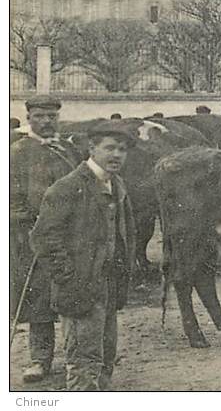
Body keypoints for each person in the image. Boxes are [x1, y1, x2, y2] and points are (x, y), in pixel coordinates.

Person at [30, 121, 137, 391]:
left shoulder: (118, 184)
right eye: (109, 148)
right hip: (81, 288)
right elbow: (43, 238)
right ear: (92, 149)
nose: (116, 155)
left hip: (110, 285)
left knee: (106, 356)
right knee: (83, 361)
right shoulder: (68, 187)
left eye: (122, 149)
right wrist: (70, 280)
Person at [10, 95, 80, 384]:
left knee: (74, 291)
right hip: (33, 235)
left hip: (71, 236)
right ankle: (40, 358)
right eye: (40, 116)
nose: (47, 121)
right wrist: (31, 223)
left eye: (52, 116)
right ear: (29, 118)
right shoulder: (17, 152)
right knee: (38, 295)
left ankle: (78, 355)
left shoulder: (69, 150)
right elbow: (11, 199)